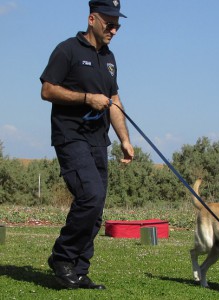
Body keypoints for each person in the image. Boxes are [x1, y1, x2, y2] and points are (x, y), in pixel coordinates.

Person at [40, 0, 134, 290]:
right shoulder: (67, 49)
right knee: (90, 196)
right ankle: (62, 257)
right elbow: (47, 90)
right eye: (110, 23)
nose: (114, 29)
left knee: (96, 207)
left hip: (98, 141)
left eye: (118, 24)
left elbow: (114, 101)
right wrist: (86, 98)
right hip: (70, 137)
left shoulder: (109, 58)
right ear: (92, 18)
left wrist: (125, 140)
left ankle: (79, 270)